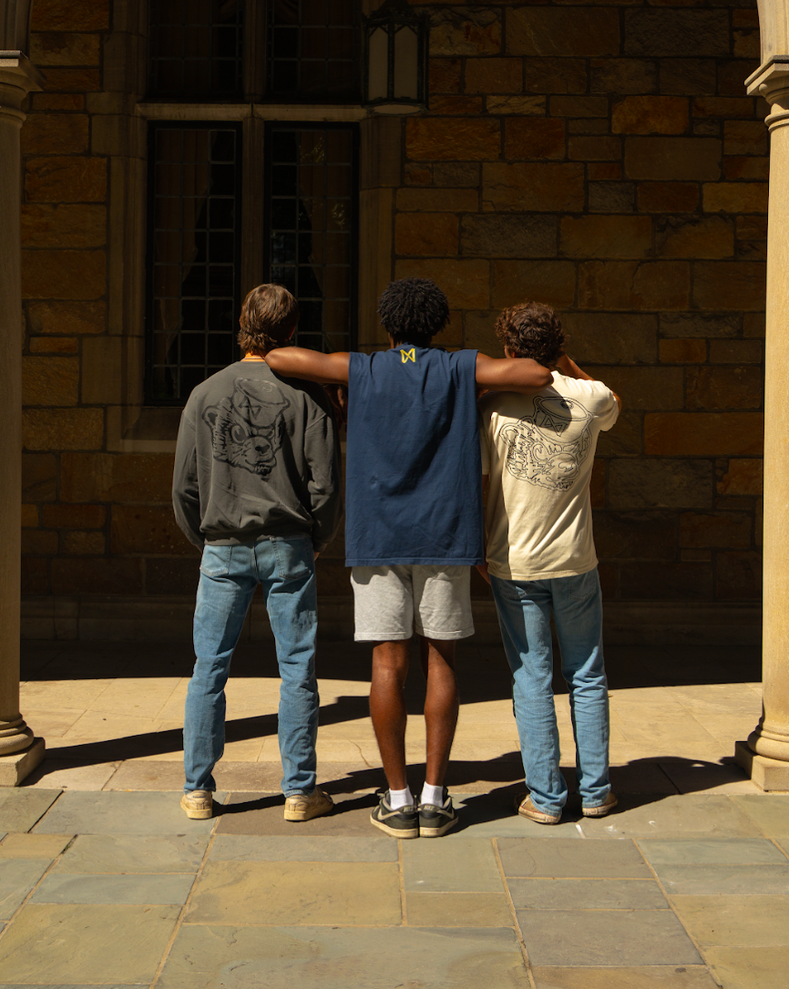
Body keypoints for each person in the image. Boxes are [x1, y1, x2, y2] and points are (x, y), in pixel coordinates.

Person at [266, 277, 551, 838]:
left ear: (388, 324)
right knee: (441, 661)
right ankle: (436, 798)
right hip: (445, 535)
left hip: (378, 536)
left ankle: (398, 800)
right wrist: (478, 392)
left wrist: (340, 382)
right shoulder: (459, 366)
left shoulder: (364, 368)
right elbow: (536, 375)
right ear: (438, 324)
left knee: (387, 664)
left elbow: (281, 357)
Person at [172, 284, 343, 822]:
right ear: (292, 331)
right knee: (297, 669)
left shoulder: (204, 393)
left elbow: (184, 487)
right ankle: (300, 791)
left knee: (209, 668)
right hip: (288, 544)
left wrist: (206, 540)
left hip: (222, 546)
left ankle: (197, 790)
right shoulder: (308, 397)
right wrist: (317, 540)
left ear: (242, 324)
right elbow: (325, 485)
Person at [479, 300, 621, 824]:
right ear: (558, 346)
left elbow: (480, 484)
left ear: (508, 349)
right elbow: (613, 398)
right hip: (575, 558)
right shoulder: (591, 397)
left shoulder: (492, 406)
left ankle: (545, 797)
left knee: (531, 677)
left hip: (514, 561)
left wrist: (478, 549)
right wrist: (565, 362)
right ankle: (597, 791)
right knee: (587, 673)